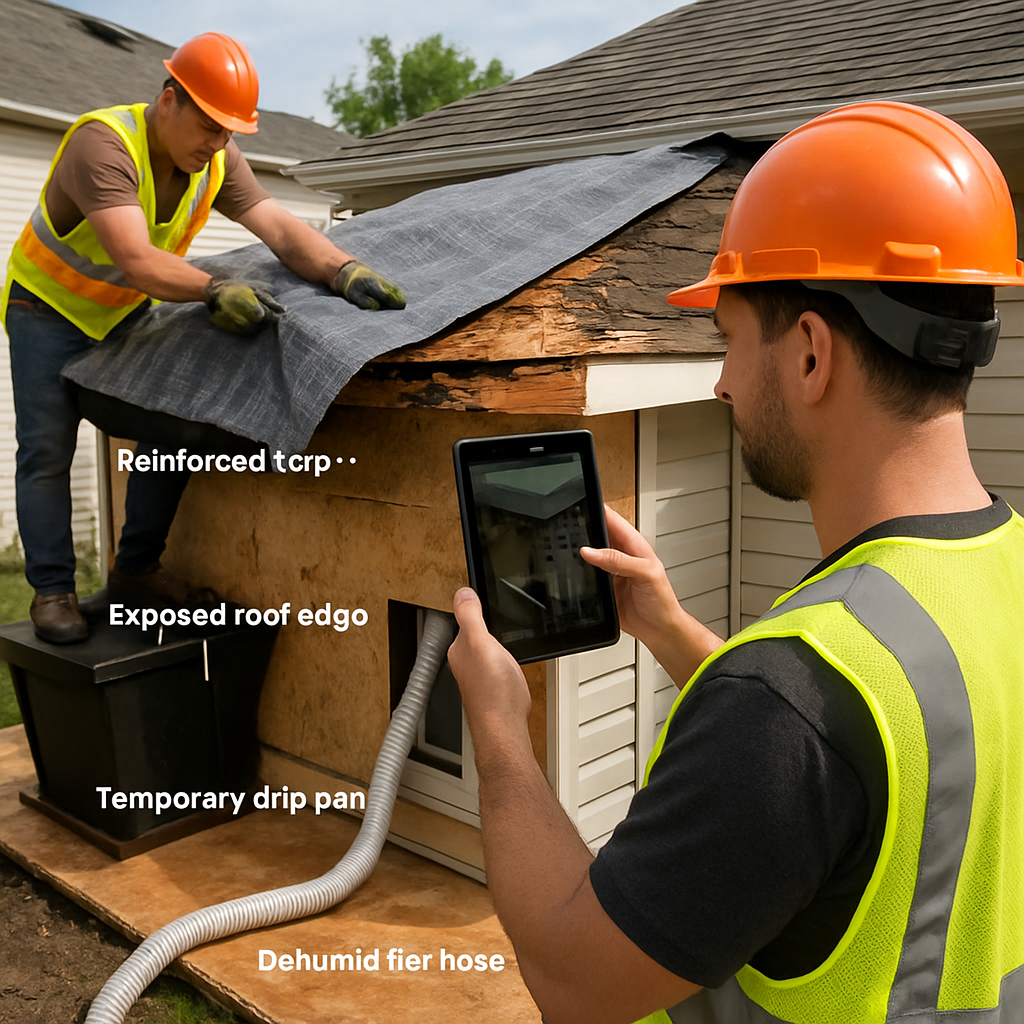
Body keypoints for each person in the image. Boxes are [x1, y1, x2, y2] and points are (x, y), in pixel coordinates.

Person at [447, 101, 1024, 1024]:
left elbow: (571, 981)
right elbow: (873, 754)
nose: (718, 383)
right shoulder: (1008, 572)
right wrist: (672, 631)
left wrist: (500, 731)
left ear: (808, 353)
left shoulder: (785, 699)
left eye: (726, 339)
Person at [1, 32, 405, 645]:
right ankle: (54, 592)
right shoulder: (103, 145)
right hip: (47, 309)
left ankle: (135, 572)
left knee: (168, 422)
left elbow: (279, 228)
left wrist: (341, 269)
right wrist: (214, 289)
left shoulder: (215, 158)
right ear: (170, 100)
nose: (219, 143)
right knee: (48, 453)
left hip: (124, 311)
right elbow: (136, 259)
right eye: (210, 126)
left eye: (230, 132)